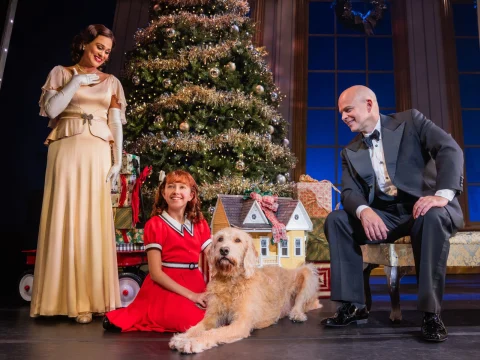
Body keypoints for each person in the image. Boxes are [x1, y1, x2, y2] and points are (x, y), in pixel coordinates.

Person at [321, 85, 464, 342]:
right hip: (387, 215)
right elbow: (349, 192)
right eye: (341, 112)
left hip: (425, 208)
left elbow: (449, 149)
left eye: (348, 109)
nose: (343, 116)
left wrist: (441, 195)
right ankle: (354, 305)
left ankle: (431, 314)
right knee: (338, 220)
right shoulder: (350, 151)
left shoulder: (411, 121)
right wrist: (364, 211)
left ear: (369, 104)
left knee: (429, 216)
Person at [30, 24, 126, 324]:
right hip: (67, 148)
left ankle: (91, 299)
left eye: (107, 51)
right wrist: (76, 82)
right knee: (64, 216)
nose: (102, 54)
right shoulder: (61, 72)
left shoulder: (112, 82)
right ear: (85, 44)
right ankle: (59, 300)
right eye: (98, 47)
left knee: (93, 220)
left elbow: (115, 123)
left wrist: (118, 161)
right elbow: (52, 109)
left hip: (98, 151)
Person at [103, 170, 212, 333]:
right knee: (191, 322)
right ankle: (130, 315)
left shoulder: (199, 224)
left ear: (191, 195)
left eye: (182, 187)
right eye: (171, 186)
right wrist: (192, 296)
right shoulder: (155, 224)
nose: (176, 192)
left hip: (195, 281)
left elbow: (214, 258)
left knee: (214, 316)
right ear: (163, 192)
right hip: (166, 283)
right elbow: (155, 273)